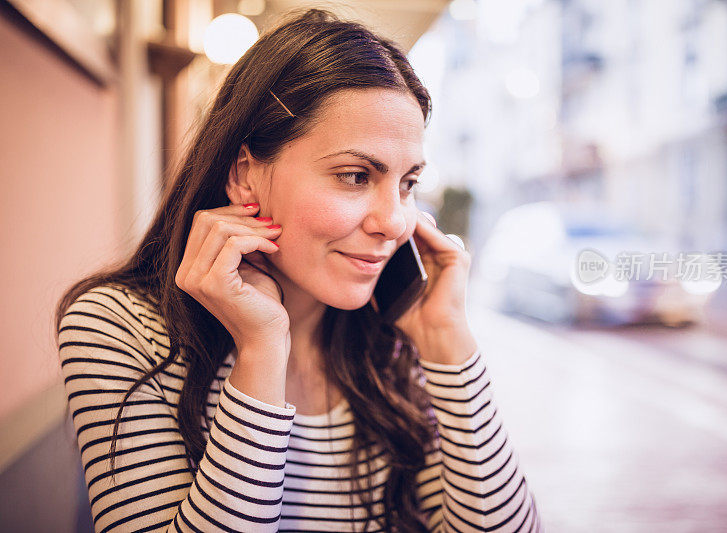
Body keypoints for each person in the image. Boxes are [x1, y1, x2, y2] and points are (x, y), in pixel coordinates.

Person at [55, 8, 543, 532]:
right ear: (245, 175)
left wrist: (449, 345)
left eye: (407, 183)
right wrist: (262, 347)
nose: (396, 222)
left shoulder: (393, 338)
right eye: (356, 176)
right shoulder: (119, 326)